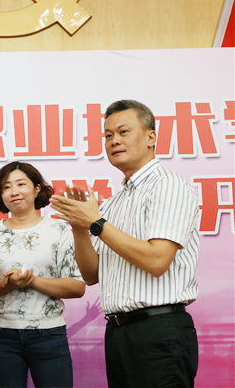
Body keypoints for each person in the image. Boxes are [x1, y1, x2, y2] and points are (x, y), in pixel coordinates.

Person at [49, 99, 199, 388]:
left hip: (158, 332)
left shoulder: (168, 185)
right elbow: (92, 275)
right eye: (108, 135)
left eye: (123, 132)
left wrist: (96, 223)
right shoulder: (114, 203)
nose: (114, 141)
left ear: (151, 137)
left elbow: (157, 261)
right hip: (119, 333)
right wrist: (80, 228)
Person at [0, 161, 86, 388]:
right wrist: (9, 284)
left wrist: (32, 281)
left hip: (49, 334)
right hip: (2, 336)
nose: (14, 191)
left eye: (21, 184)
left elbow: (77, 287)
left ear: (37, 189)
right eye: (7, 187)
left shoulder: (59, 231)